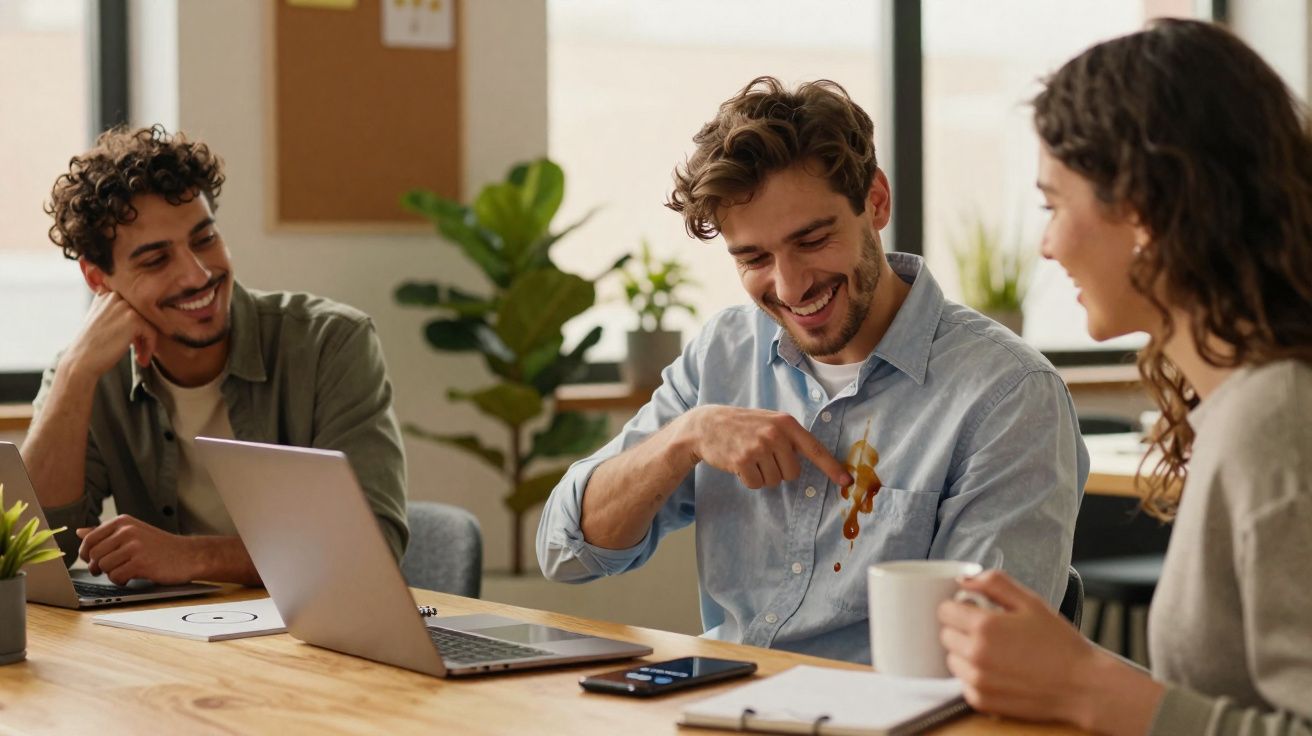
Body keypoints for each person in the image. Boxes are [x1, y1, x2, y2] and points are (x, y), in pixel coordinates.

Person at [537, 77, 1088, 663]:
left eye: (813, 239)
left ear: (875, 201)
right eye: (753, 258)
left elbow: (988, 657)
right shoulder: (725, 351)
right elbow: (568, 552)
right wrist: (684, 438)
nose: (790, 285)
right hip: (719, 704)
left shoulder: (1009, 394)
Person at [937, 19, 1312, 735]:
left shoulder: (1280, 420)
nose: (1045, 246)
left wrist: (1086, 686)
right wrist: (1065, 672)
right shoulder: (1239, 408)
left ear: (1142, 207)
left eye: (1053, 205)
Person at [21, 125, 409, 587]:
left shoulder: (330, 342)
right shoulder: (87, 375)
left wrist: (192, 558)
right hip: (169, 644)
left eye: (204, 239)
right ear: (98, 279)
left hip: (311, 641)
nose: (198, 274)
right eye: (155, 260)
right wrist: (74, 375)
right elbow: (27, 556)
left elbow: (372, 545)